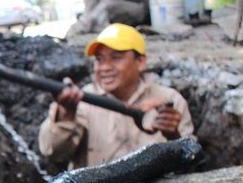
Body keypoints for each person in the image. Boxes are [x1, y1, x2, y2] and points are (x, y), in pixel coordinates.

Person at [38, 23, 194, 169]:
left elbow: (192, 160)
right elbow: (51, 153)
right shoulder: (81, 102)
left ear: (140, 62)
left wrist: (174, 137)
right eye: (99, 59)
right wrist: (66, 116)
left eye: (116, 57)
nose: (104, 67)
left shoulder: (170, 99)